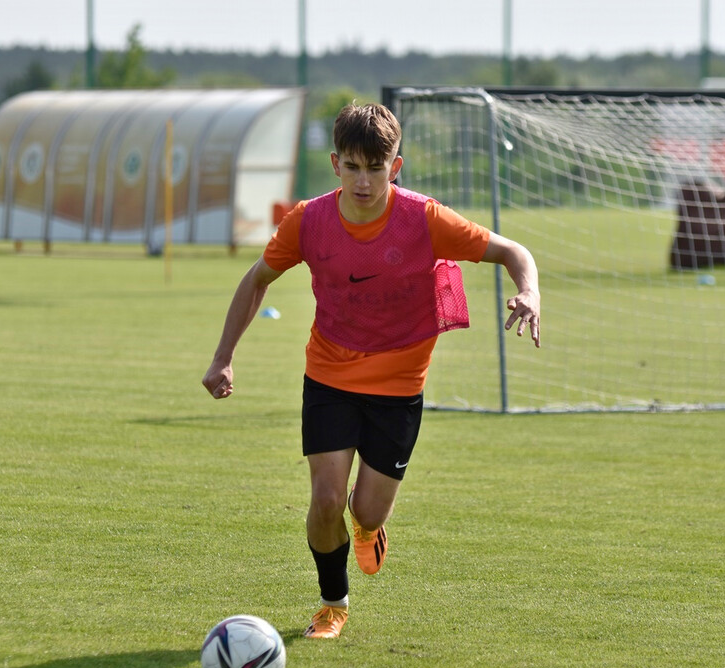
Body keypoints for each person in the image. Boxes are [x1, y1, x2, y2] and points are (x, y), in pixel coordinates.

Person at [202, 102, 540, 639]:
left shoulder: (424, 219)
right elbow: (257, 278)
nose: (364, 180)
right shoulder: (309, 221)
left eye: (375, 168)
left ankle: (368, 527)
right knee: (326, 500)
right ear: (335, 164)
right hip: (331, 375)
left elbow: (511, 250)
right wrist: (223, 356)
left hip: (400, 388)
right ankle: (332, 605)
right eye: (353, 167)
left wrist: (529, 291)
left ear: (395, 167)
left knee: (367, 512)